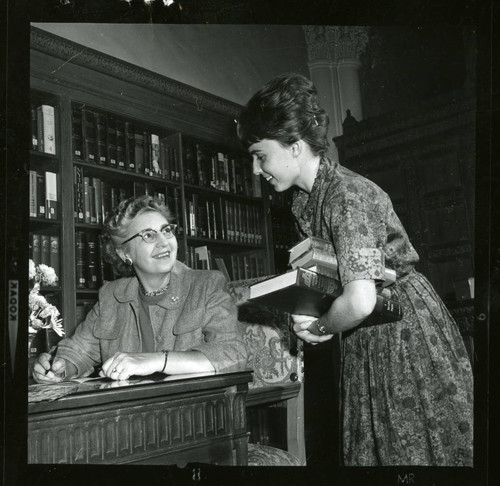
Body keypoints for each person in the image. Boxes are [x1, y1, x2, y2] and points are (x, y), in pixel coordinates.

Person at [237, 73, 473, 466]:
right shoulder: (305, 200)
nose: (257, 169)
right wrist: (311, 311)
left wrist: (323, 326)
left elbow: (360, 301)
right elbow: (337, 276)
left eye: (261, 156)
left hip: (402, 329)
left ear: (295, 147)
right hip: (369, 330)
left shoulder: (348, 195)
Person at [33, 195, 247, 383]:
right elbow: (79, 350)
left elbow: (233, 353)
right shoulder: (111, 297)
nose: (164, 242)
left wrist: (157, 360)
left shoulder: (207, 285)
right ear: (124, 254)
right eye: (148, 235)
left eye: (166, 231)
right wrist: (59, 368)